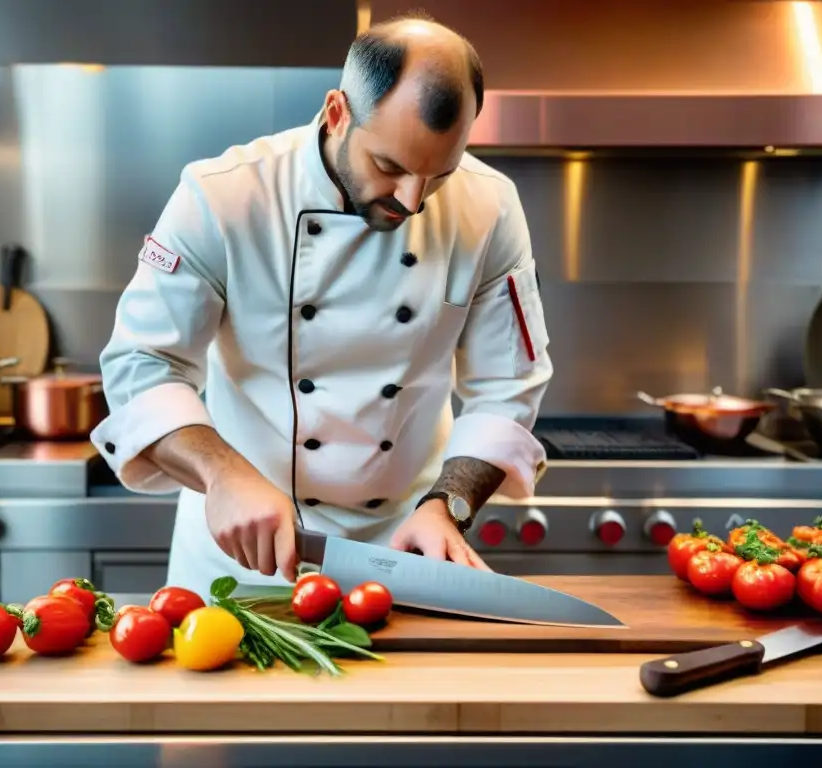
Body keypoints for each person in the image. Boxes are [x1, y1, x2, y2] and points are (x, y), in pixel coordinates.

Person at [90, 13, 553, 598]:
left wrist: (448, 508)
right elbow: (142, 363)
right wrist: (222, 474)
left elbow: (509, 386)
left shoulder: (490, 208)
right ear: (338, 112)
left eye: (439, 174)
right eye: (389, 166)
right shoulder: (225, 194)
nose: (411, 201)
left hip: (402, 551)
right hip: (242, 555)